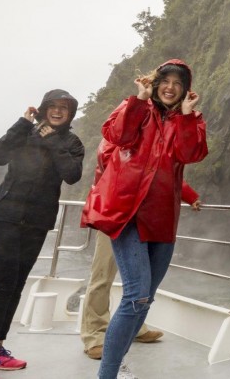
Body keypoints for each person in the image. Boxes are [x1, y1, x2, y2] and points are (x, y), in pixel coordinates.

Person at [81, 59, 208, 379]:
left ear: (185, 91)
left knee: (145, 298)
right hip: (126, 214)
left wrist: (189, 117)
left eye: (178, 84)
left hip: (163, 218)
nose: (171, 88)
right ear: (155, 83)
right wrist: (138, 99)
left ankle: (116, 359)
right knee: (136, 295)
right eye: (166, 81)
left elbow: (190, 154)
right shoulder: (135, 107)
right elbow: (116, 134)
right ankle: (107, 374)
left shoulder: (187, 119)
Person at [0, 89, 85, 379]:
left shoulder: (72, 142)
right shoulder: (25, 133)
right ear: (44, 108)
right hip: (5, 217)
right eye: (54, 106)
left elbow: (72, 175)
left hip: (37, 222)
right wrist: (22, 124)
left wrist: (51, 142)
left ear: (70, 113)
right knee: (3, 285)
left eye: (65, 107)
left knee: (17, 284)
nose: (59, 111)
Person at [81, 139, 202, 359]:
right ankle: (95, 336)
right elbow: (116, 165)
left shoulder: (154, 132)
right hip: (116, 215)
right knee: (102, 276)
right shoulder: (122, 131)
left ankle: (135, 328)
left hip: (144, 219)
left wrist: (190, 195)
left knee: (140, 282)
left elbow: (158, 172)